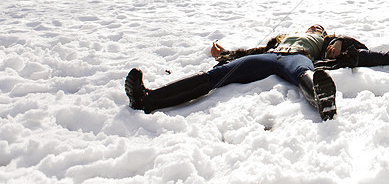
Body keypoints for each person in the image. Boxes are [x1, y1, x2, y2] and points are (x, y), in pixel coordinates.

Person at [124, 25, 367, 120]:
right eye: (312, 27)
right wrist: (226, 54)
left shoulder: (326, 39)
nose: (314, 28)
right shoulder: (283, 37)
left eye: (319, 28)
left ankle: (322, 101)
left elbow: (359, 48)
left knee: (303, 72)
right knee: (221, 74)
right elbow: (255, 50)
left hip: (298, 58)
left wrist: (340, 44)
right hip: (271, 55)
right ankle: (147, 99)